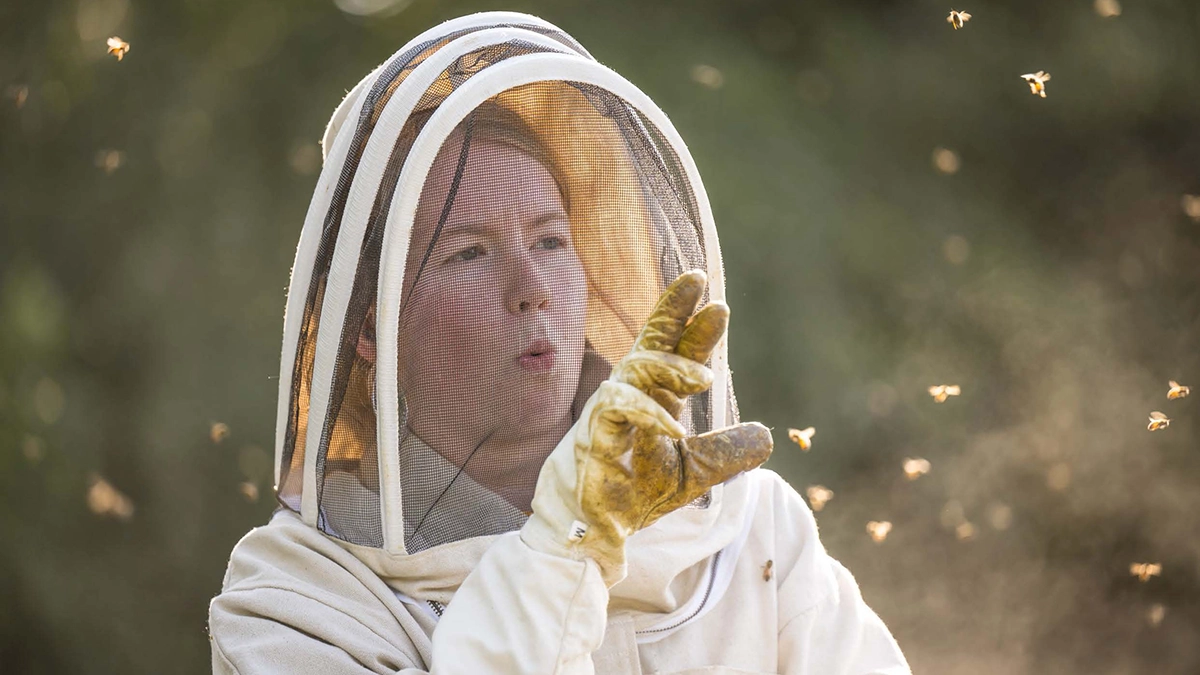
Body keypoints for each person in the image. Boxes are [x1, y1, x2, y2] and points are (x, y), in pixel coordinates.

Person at [208, 11, 910, 674]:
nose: (532, 285)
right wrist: (567, 542)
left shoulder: (756, 531)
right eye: (470, 252)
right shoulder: (297, 599)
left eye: (550, 239)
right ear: (367, 325)